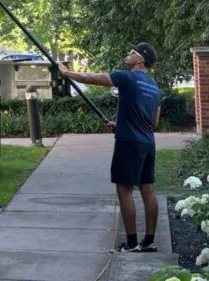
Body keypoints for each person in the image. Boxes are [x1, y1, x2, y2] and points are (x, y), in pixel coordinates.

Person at [60, 43, 161, 253]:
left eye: (131, 52)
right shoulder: (154, 86)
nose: (128, 53)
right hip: (147, 143)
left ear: (140, 59)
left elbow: (91, 78)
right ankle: (149, 241)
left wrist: (66, 72)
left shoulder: (127, 77)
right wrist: (120, 123)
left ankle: (132, 243)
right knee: (148, 190)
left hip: (128, 143)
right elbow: (153, 123)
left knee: (124, 190)